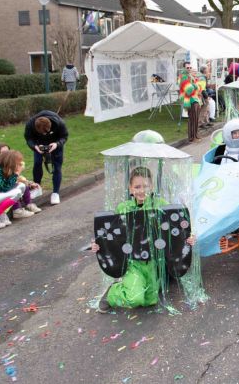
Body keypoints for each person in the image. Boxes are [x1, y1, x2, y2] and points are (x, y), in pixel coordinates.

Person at [91, 167, 196, 312]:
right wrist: (99, 245)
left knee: (149, 301)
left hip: (154, 262)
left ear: (151, 186)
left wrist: (188, 238)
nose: (141, 191)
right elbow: (113, 236)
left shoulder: (160, 204)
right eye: (137, 187)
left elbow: (175, 229)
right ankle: (113, 292)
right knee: (135, 299)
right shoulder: (123, 208)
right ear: (130, 188)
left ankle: (136, 285)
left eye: (145, 186)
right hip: (132, 264)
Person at [24, 110, 68, 205]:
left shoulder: (59, 123)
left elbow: (64, 136)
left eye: (46, 132)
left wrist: (57, 144)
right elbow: (28, 138)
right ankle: (37, 187)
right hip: (39, 145)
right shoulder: (30, 125)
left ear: (50, 126)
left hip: (55, 144)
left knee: (57, 167)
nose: (44, 134)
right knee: (37, 163)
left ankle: (55, 193)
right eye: (41, 133)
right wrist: (34, 146)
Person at [178, 63, 203, 142]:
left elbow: (200, 88)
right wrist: (195, 86)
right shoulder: (183, 77)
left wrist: (195, 85)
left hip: (196, 100)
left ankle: (195, 135)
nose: (189, 69)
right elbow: (189, 90)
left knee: (196, 119)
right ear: (184, 68)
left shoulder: (192, 78)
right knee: (192, 119)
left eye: (190, 67)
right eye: (187, 68)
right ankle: (192, 137)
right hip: (190, 100)